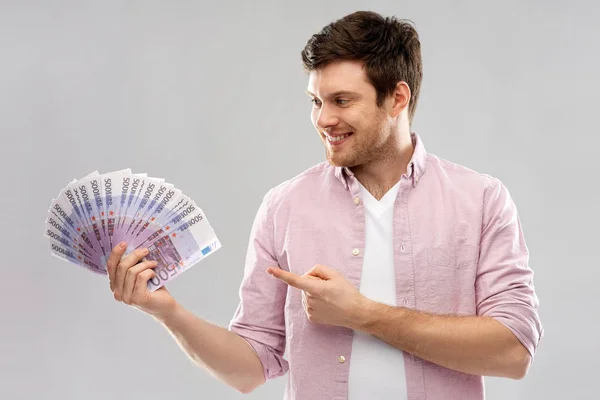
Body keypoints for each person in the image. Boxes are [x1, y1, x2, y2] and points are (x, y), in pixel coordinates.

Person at [107, 10, 543, 400]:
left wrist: (363, 315)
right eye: (316, 101)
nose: (322, 119)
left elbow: (513, 351)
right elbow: (249, 368)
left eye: (341, 100)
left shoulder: (481, 199)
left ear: (397, 98)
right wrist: (166, 312)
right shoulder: (285, 206)